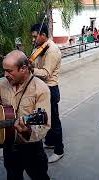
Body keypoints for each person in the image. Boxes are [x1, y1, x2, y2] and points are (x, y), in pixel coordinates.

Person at [0, 50, 51, 180]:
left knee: (39, 176)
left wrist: (27, 131)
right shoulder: (2, 84)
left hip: (31, 148)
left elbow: (43, 125)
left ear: (23, 68)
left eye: (9, 71)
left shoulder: (40, 89)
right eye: (4, 70)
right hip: (9, 145)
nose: (5, 74)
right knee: (12, 175)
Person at [30, 23, 64, 163]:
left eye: (34, 37)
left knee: (54, 121)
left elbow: (46, 73)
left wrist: (30, 70)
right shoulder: (40, 48)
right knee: (44, 118)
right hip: (42, 88)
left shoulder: (52, 50)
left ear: (43, 35)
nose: (33, 40)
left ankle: (59, 150)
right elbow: (35, 63)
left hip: (50, 88)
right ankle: (49, 141)